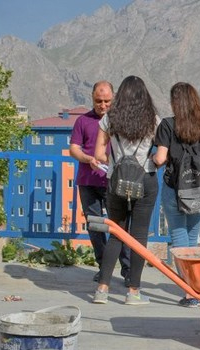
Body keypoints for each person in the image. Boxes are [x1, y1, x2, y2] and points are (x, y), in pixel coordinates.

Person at [92, 75, 161, 305]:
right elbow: (160, 157)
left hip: (116, 181)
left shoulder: (109, 119)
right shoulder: (154, 121)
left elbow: (99, 153)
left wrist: (114, 160)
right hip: (146, 179)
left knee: (116, 234)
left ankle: (102, 290)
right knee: (139, 236)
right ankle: (133, 292)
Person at [153, 82, 200, 308]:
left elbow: (160, 158)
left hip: (175, 189)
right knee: (192, 240)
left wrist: (151, 161)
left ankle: (190, 293)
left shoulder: (168, 125)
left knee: (179, 240)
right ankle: (196, 288)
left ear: (174, 102)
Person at [68, 80, 131, 284]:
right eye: (98, 101)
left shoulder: (121, 121)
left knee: (119, 226)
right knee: (94, 226)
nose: (103, 105)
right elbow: (74, 148)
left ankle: (128, 268)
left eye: (107, 101)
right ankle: (104, 268)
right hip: (88, 181)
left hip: (114, 181)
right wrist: (88, 159)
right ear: (92, 99)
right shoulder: (82, 121)